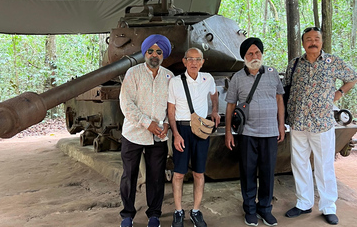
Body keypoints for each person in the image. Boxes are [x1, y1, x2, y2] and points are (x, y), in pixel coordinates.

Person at [284, 27, 357, 225]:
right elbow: (287, 88)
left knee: (324, 164)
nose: (313, 42)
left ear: (322, 42)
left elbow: (353, 77)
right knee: (299, 163)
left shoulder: (332, 62)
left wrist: (339, 93)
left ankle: (328, 206)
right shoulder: (295, 64)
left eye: (316, 39)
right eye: (308, 39)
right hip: (298, 121)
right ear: (303, 43)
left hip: (322, 122)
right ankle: (303, 202)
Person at [224, 38, 285, 227]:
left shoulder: (273, 74)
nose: (254, 56)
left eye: (257, 52)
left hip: (269, 132)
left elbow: (279, 100)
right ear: (244, 56)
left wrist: (281, 125)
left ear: (262, 54)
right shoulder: (237, 78)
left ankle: (265, 209)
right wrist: (228, 132)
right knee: (248, 172)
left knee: (267, 173)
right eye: (250, 53)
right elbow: (230, 106)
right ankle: (250, 210)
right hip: (247, 133)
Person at [119, 34, 174, 227]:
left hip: (158, 136)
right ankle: (127, 216)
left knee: (156, 177)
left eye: (159, 52)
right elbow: (126, 104)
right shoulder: (133, 73)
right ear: (145, 52)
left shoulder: (169, 77)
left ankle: (154, 215)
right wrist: (147, 123)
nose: (154, 55)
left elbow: (171, 106)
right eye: (150, 50)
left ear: (163, 55)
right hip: (133, 133)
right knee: (129, 176)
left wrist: (166, 124)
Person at [168, 47, 221, 227]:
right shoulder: (175, 82)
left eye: (197, 59)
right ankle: (178, 211)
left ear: (203, 62)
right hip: (182, 130)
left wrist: (214, 110)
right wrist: (175, 134)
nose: (194, 63)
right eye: (190, 59)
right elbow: (171, 111)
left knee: (199, 173)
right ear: (184, 62)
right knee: (179, 174)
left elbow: (214, 94)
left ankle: (196, 211)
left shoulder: (208, 78)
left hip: (200, 131)